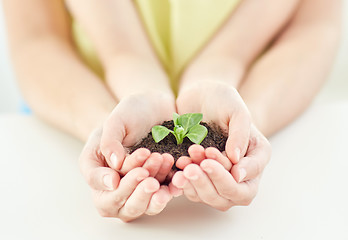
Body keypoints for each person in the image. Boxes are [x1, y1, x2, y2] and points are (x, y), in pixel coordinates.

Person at [3, 0, 342, 222]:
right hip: (78, 98)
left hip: (273, 100)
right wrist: (108, 125)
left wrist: (244, 122)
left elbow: (315, 27)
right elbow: (37, 38)